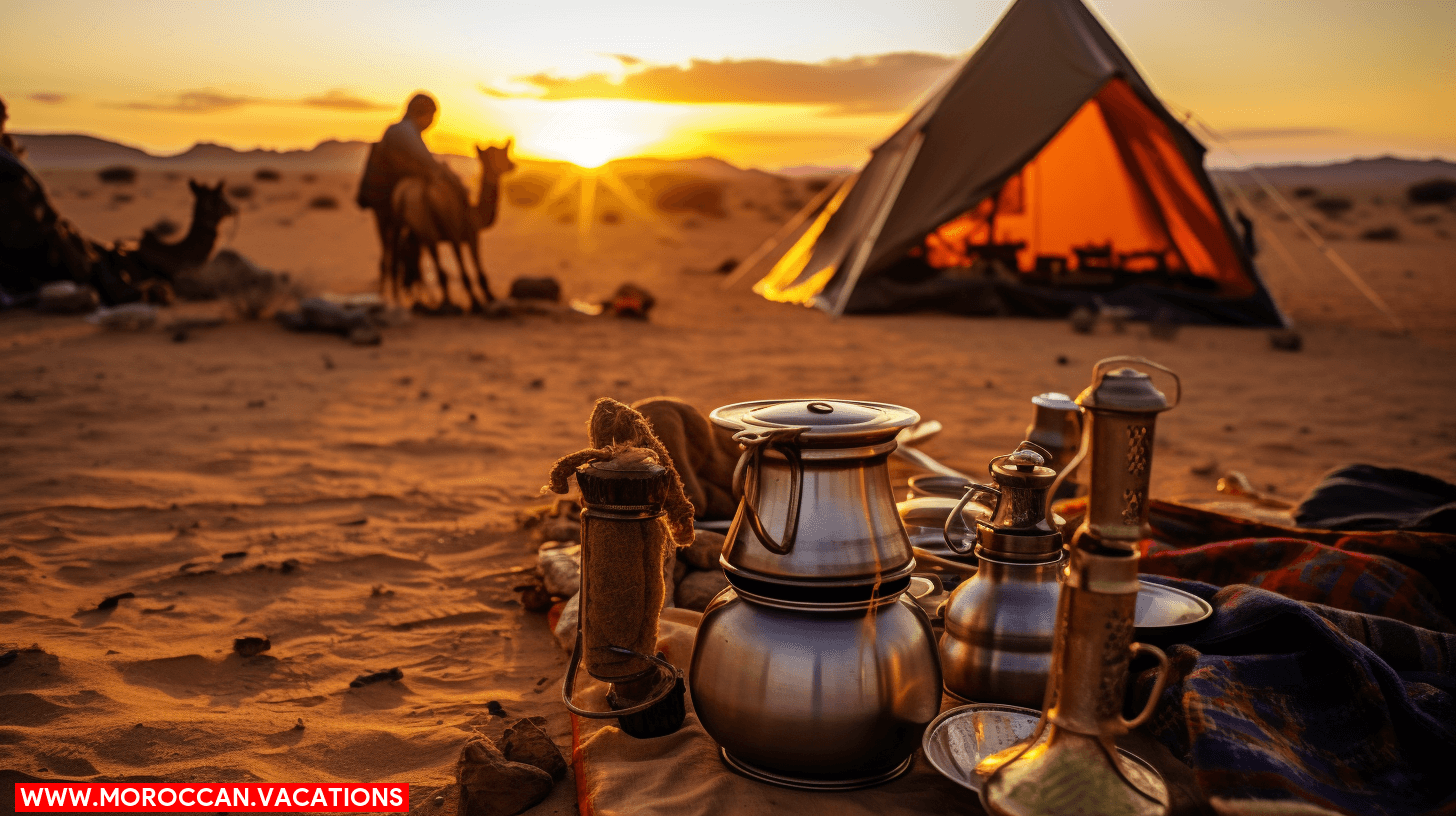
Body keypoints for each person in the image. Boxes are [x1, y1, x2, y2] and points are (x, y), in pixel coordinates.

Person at [356, 93, 454, 258]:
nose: (433, 121)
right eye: (432, 116)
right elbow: (425, 159)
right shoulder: (406, 130)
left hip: (384, 194)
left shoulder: (400, 129)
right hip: (389, 194)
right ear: (423, 114)